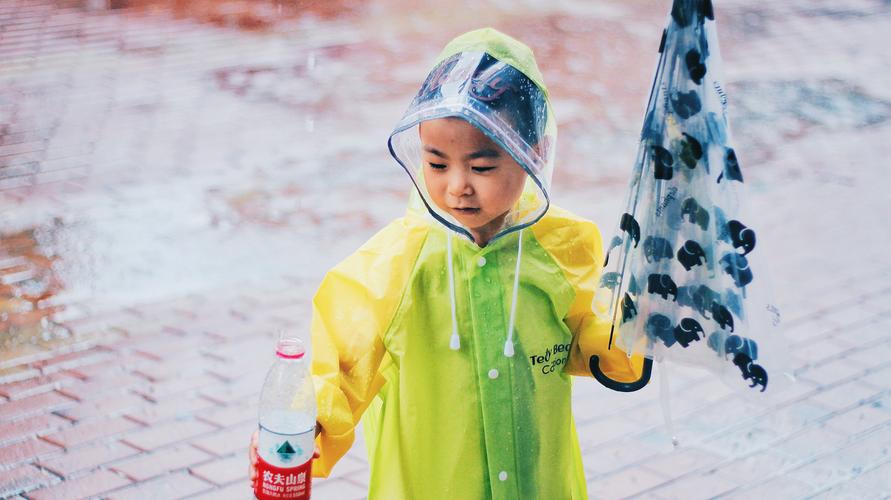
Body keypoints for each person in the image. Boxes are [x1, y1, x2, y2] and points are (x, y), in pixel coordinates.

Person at [250, 27, 650, 499]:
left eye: (481, 167)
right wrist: (302, 424)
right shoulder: (395, 263)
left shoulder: (564, 245)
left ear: (534, 155)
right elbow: (339, 363)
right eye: (437, 164)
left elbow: (594, 337)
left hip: (537, 483)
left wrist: (643, 308)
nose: (458, 185)